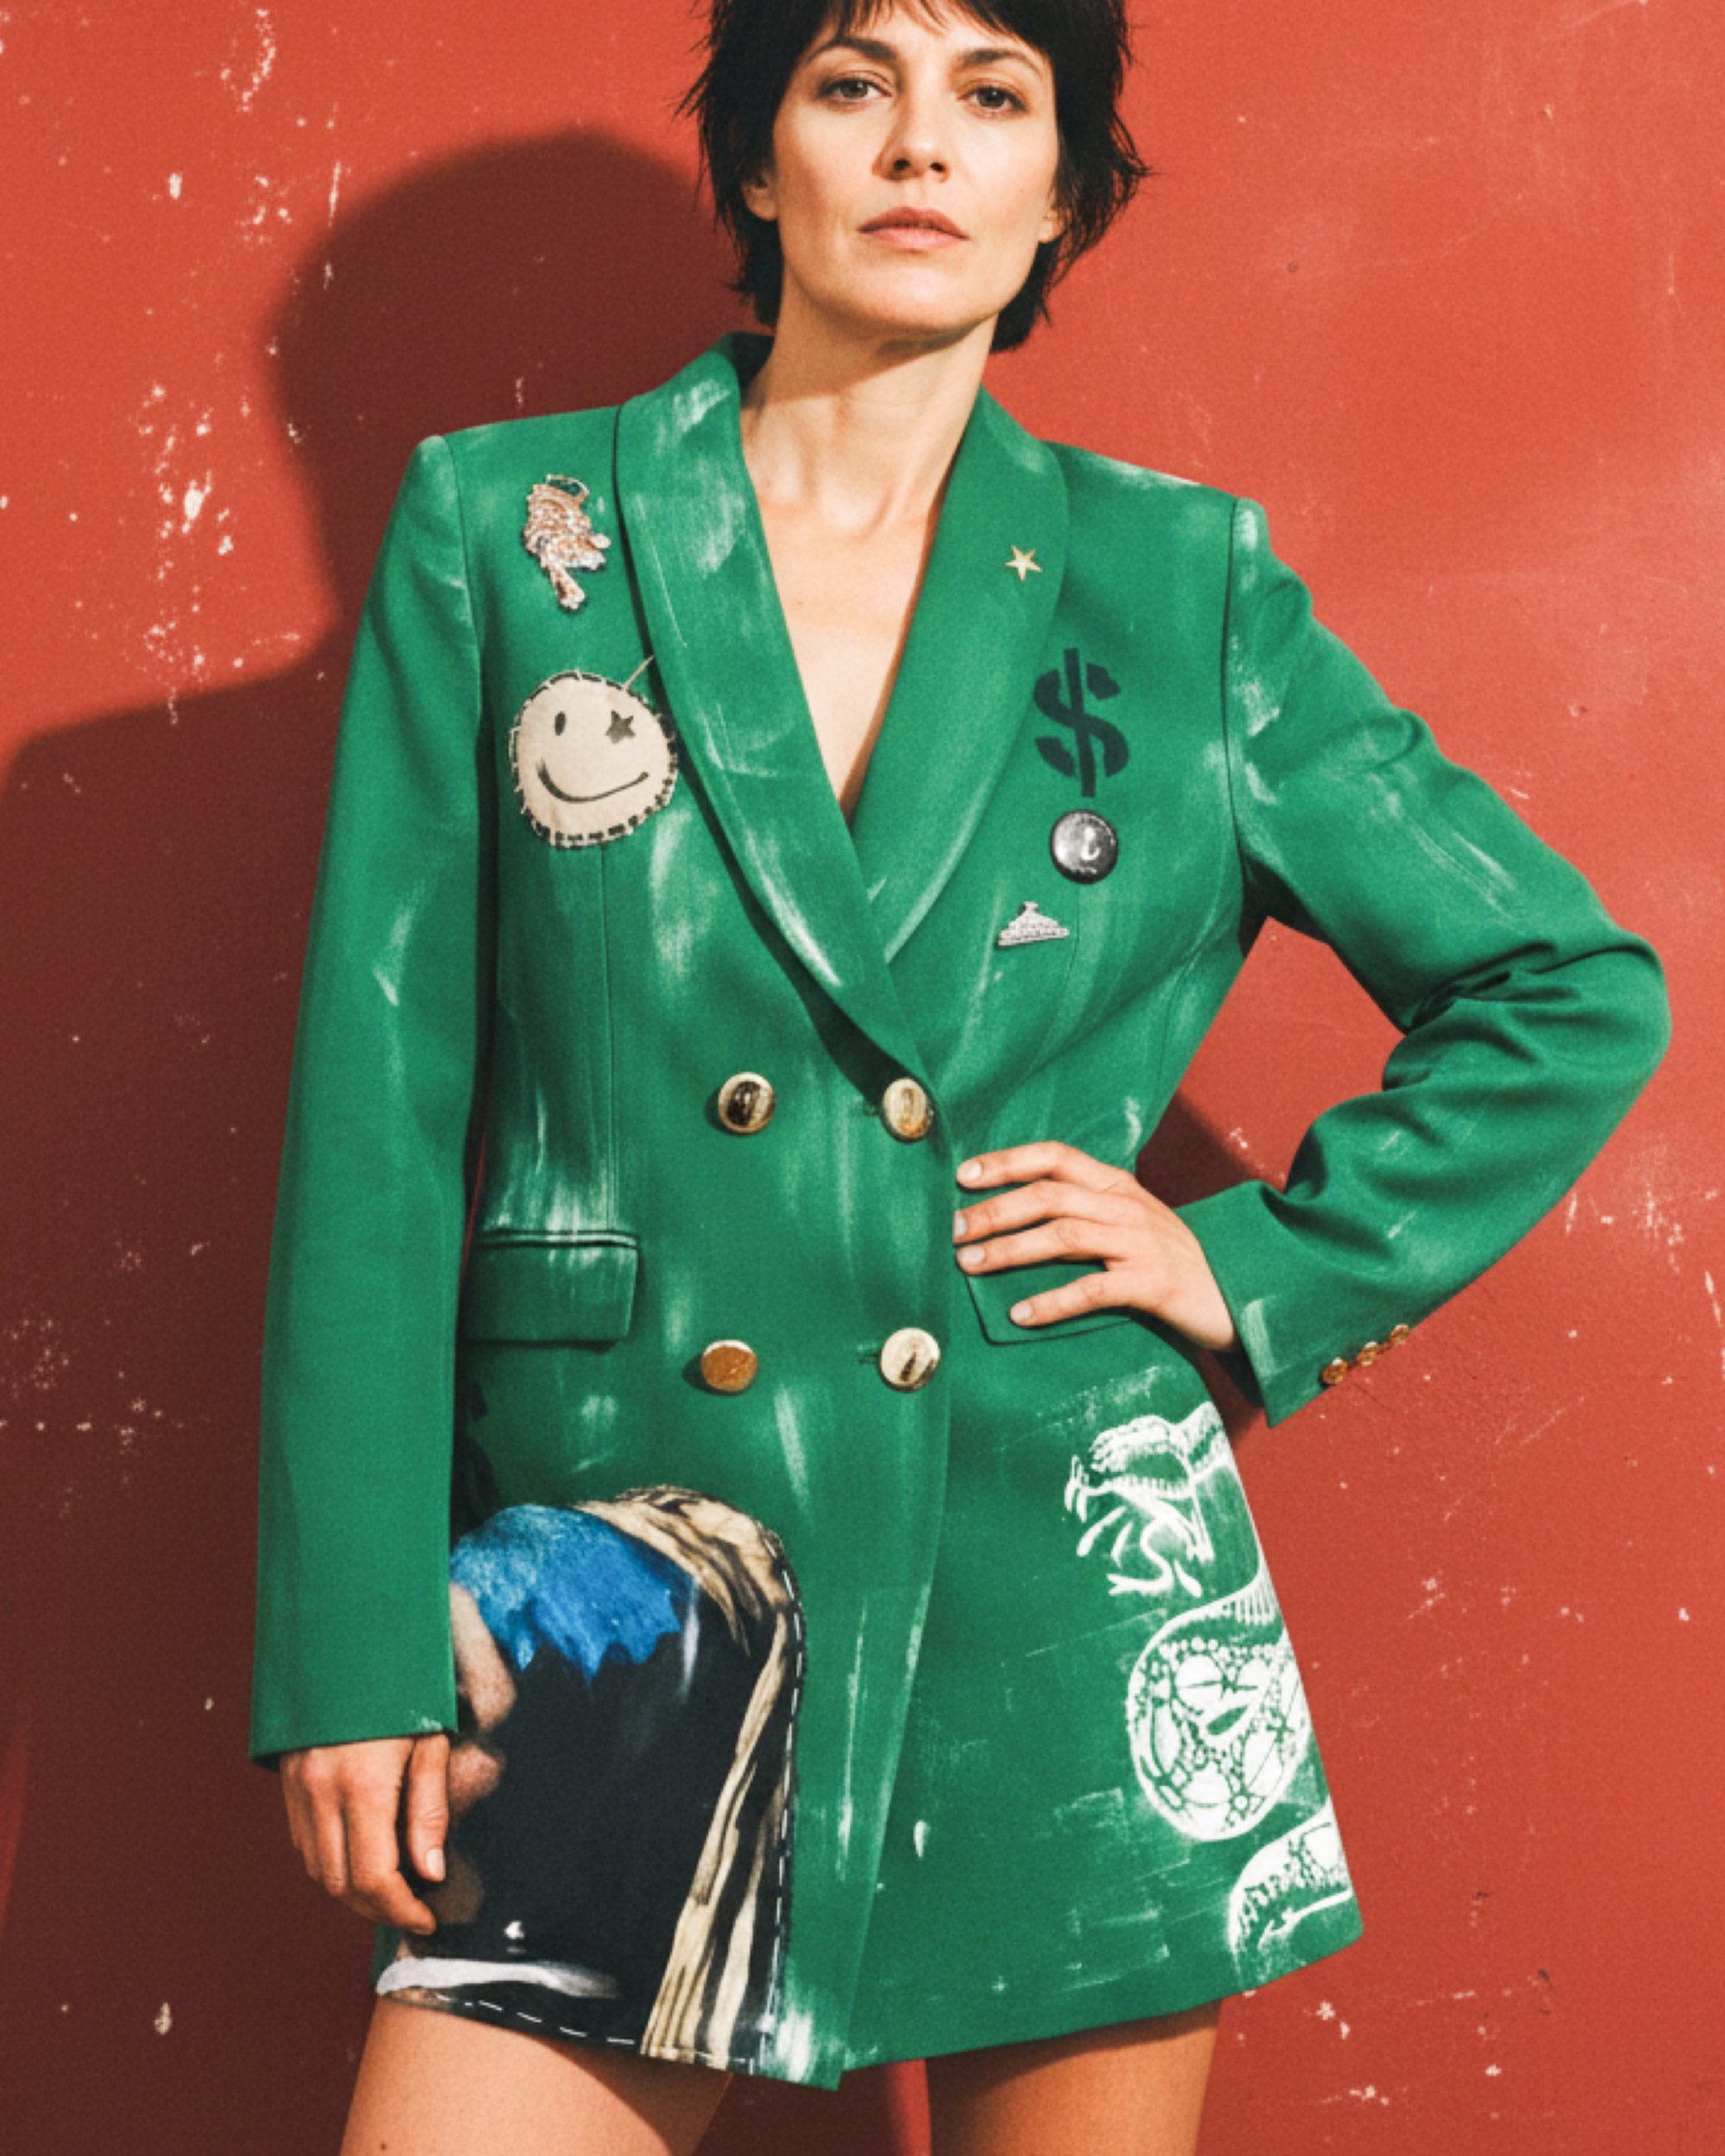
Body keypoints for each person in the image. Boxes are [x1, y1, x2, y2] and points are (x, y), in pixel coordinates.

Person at [247, 2, 1671, 2151]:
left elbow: (1564, 980)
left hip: (1058, 1573)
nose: (923, 145)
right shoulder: (511, 531)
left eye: (995, 96)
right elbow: (379, 1125)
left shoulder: (1175, 586)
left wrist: (1255, 1266)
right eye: (854, 84)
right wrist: (352, 1643)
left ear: (1061, 193)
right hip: (633, 1571)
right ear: (758, 161)